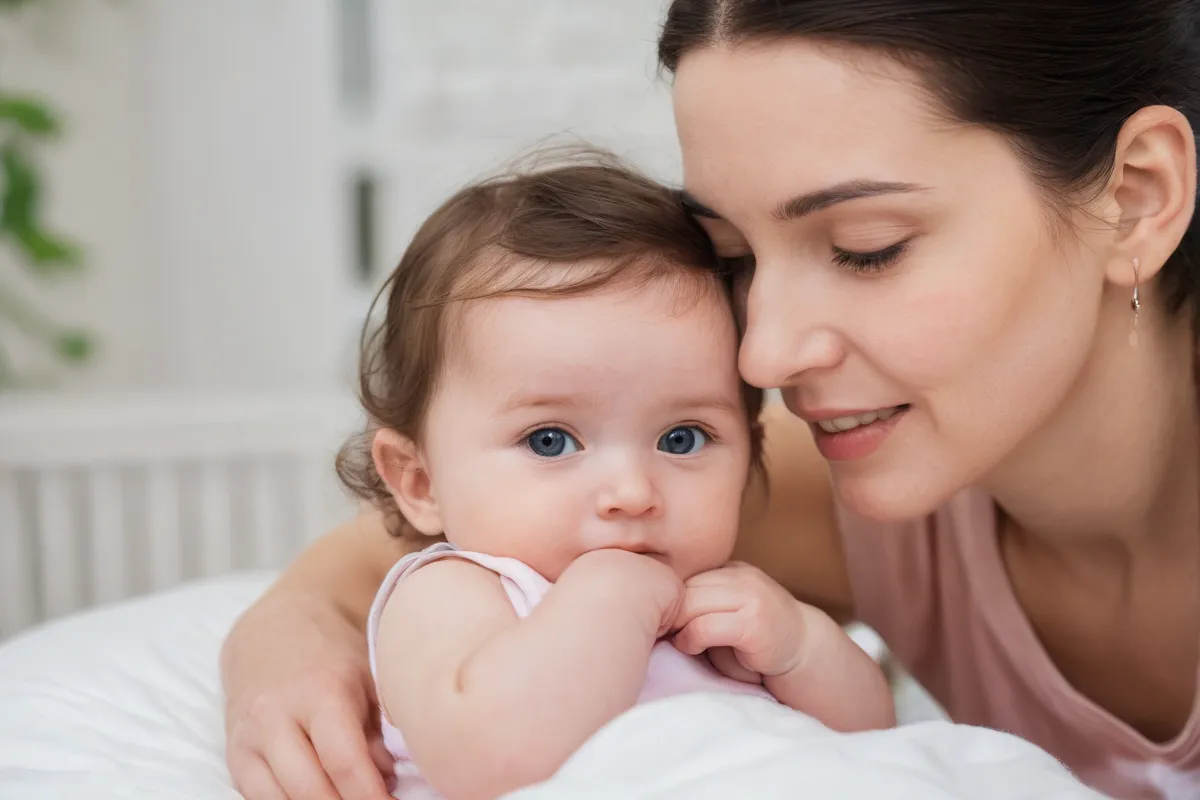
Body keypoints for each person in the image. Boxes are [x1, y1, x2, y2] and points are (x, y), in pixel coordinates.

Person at [221, 2, 1200, 798]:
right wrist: (281, 633)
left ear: (1138, 197)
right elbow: (396, 541)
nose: (764, 352)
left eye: (866, 246)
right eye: (735, 260)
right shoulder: (821, 481)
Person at [338, 157, 892, 800]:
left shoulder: (728, 605)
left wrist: (799, 649)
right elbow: (490, 762)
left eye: (681, 439)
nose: (632, 493)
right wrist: (612, 600)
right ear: (419, 482)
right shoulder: (455, 595)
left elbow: (877, 742)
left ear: (749, 454)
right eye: (550, 441)